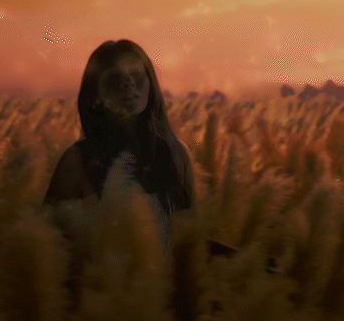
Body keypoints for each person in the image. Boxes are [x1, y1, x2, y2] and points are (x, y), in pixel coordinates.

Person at [43, 39, 277, 271]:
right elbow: (47, 244)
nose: (128, 83)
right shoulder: (77, 161)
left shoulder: (176, 154)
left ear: (150, 84)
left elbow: (188, 243)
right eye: (114, 77)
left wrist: (251, 259)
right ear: (94, 93)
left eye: (137, 74)